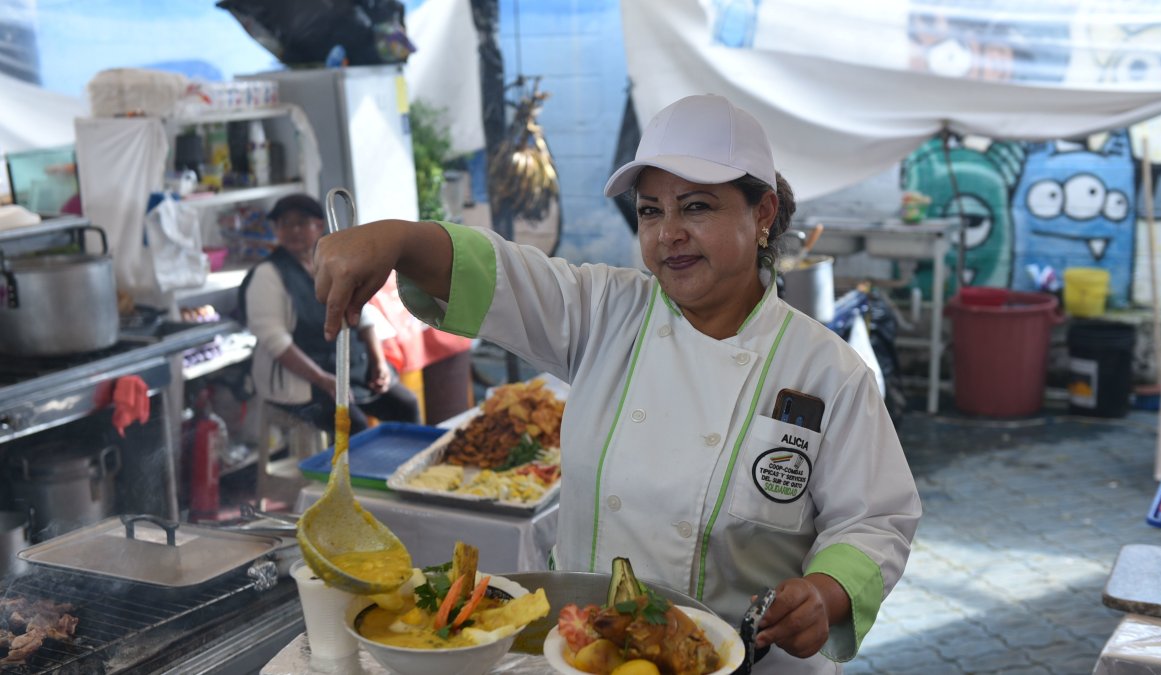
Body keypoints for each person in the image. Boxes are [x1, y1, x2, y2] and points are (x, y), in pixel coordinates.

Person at [312, 95, 921, 673]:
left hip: (745, 664)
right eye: (651, 211)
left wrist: (825, 592)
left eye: (696, 207)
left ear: (762, 214)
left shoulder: (827, 372)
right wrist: (400, 239)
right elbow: (504, 276)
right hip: (588, 655)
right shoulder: (605, 311)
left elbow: (875, 521)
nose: (668, 233)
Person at [240, 193, 420, 437]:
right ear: (276, 230)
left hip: (348, 368)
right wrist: (324, 380)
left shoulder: (333, 262)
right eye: (285, 224)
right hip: (304, 380)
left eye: (301, 222)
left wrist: (378, 362)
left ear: (319, 226)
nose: (294, 230)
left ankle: (414, 463)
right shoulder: (267, 275)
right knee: (353, 424)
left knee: (406, 405)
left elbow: (363, 312)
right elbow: (275, 341)